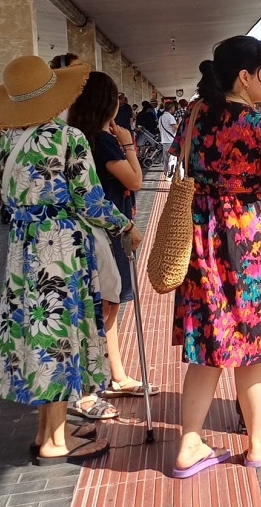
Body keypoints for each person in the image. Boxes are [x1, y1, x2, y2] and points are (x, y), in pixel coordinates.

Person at [0, 55, 141, 466]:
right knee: (57, 338)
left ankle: (47, 429)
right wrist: (125, 226)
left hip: (22, 250)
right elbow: (91, 200)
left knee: (36, 336)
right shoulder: (66, 139)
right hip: (59, 251)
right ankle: (55, 440)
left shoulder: (5, 142)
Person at [169, 35, 261, 478]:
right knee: (253, 343)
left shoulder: (194, 117)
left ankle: (190, 446)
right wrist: (255, 192)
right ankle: (255, 443)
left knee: (210, 344)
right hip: (250, 244)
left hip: (204, 241)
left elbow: (185, 165)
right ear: (245, 77)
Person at [68, 71, 158, 407]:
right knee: (108, 306)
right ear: (108, 104)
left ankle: (116, 374)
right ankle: (96, 383)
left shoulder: (77, 136)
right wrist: (129, 144)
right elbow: (134, 181)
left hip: (93, 230)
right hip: (109, 229)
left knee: (108, 306)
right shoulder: (103, 140)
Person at [157, 101, 179, 178]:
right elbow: (176, 128)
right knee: (172, 159)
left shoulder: (161, 117)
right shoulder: (170, 117)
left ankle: (166, 174)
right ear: (171, 108)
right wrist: (179, 122)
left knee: (166, 160)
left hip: (164, 141)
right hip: (171, 141)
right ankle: (170, 175)